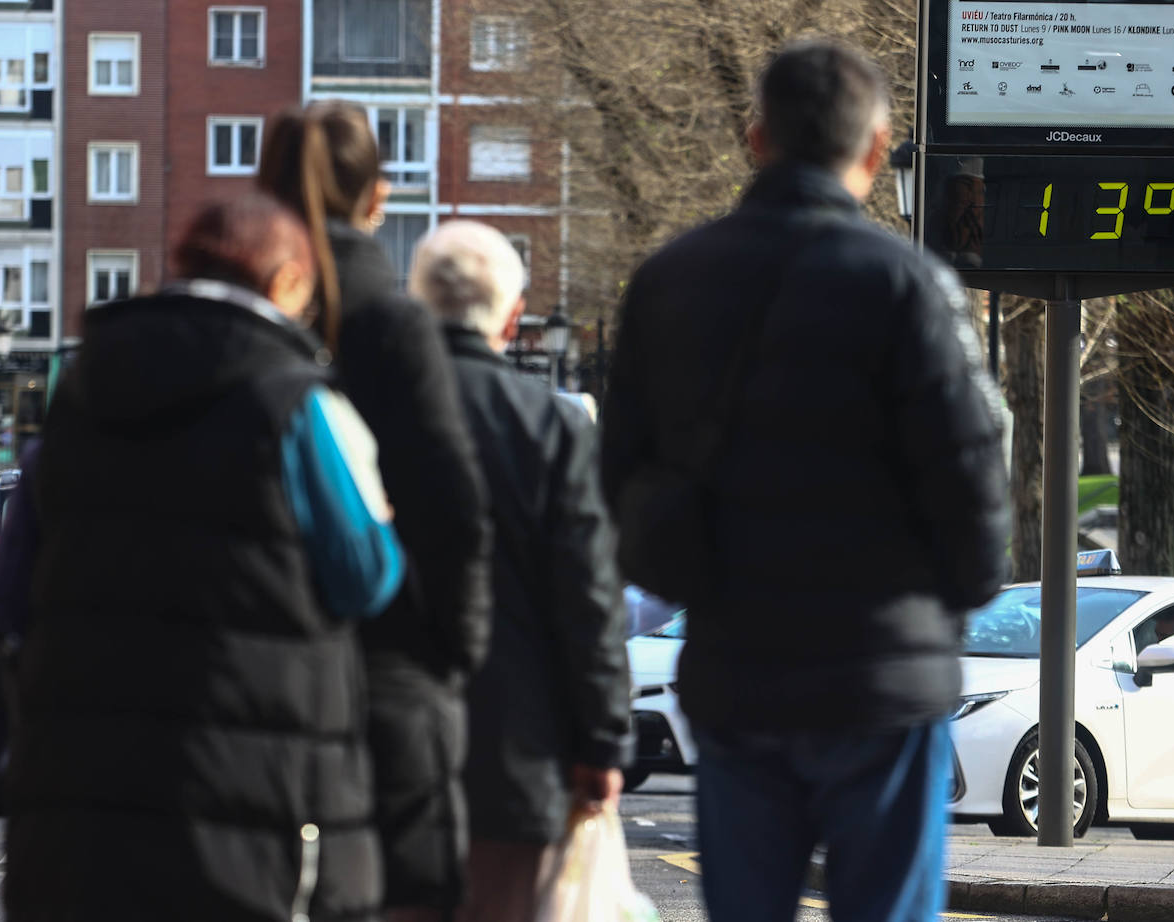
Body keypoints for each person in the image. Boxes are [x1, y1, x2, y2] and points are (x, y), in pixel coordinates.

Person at [600, 40, 1011, 922]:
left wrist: (695, 581)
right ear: (876, 149)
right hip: (884, 679)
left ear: (757, 138)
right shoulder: (912, 286)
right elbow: (975, 494)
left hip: (737, 670)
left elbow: (621, 485)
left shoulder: (671, 283)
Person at [0, 192, 407, 922]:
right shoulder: (297, 404)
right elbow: (364, 576)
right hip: (250, 821)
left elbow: (1, 602)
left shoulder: (81, 399)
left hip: (73, 818)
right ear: (288, 282)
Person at [259, 102, 492, 921]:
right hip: (387, 678)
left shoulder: (240, 327)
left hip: (256, 675)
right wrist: (450, 662)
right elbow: (455, 510)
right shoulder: (394, 326)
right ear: (378, 199)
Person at [408, 221, 630, 922]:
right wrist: (601, 738)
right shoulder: (550, 422)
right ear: (510, 316)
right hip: (519, 749)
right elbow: (588, 593)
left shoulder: (357, 401)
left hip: (382, 749)